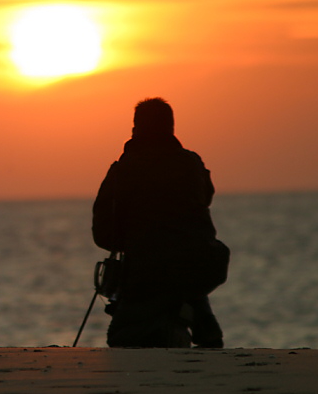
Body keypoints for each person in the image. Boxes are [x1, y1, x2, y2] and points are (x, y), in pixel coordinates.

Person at [92, 97, 230, 348]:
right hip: (201, 265)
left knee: (120, 339)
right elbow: (206, 199)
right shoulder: (191, 163)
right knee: (190, 273)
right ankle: (203, 320)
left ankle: (193, 318)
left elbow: (102, 233)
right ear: (171, 128)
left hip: (146, 270)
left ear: (137, 128)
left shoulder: (124, 169)